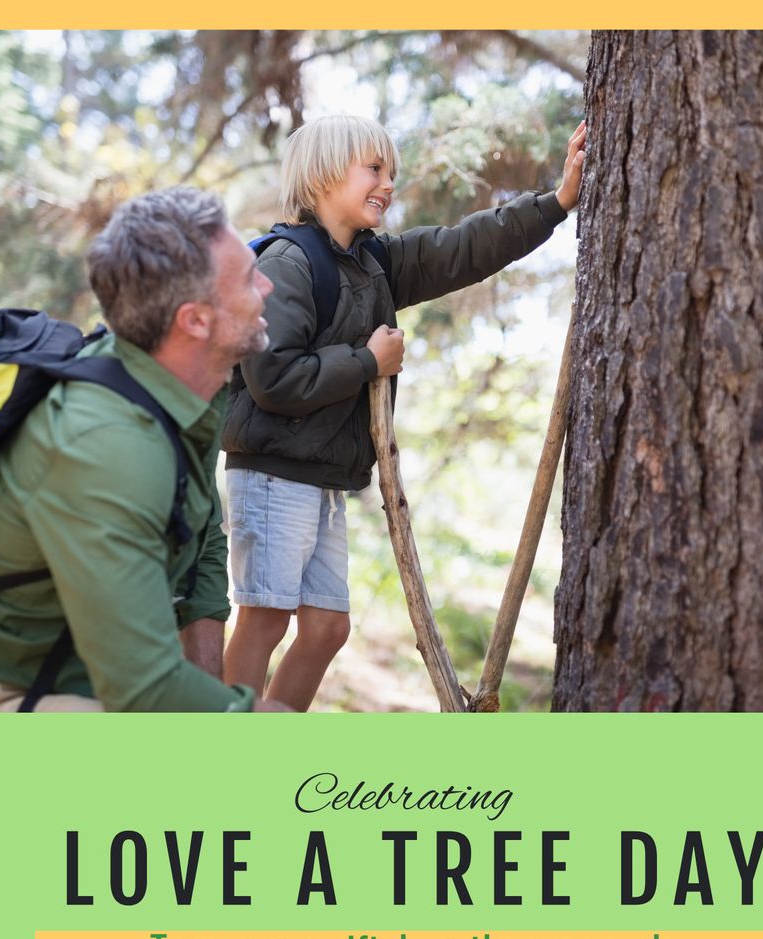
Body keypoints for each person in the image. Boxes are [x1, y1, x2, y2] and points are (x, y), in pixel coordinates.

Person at [222, 115, 586, 710]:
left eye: (391, 172)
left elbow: (464, 246)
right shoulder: (286, 263)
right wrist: (366, 360)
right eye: (374, 169)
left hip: (321, 478)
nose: (388, 183)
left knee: (327, 629)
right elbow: (272, 380)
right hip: (271, 472)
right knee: (265, 619)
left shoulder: (374, 263)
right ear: (322, 175)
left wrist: (558, 202)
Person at [0, 186, 283, 712]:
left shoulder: (173, 397)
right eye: (246, 279)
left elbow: (202, 534)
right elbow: (147, 691)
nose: (268, 285)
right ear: (195, 320)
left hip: (68, 679)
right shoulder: (104, 442)